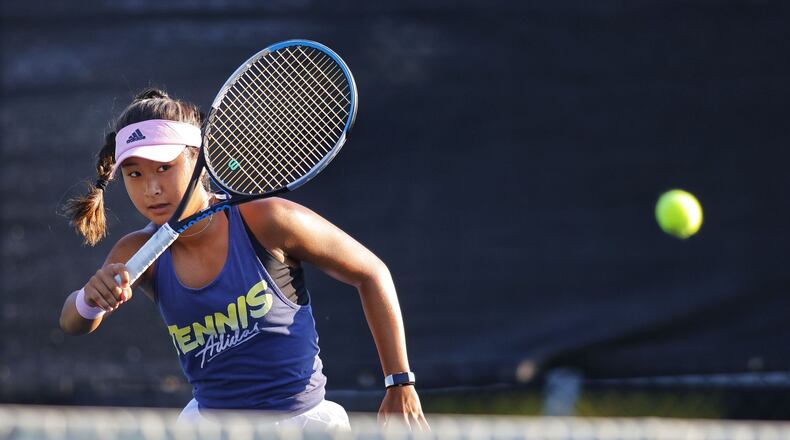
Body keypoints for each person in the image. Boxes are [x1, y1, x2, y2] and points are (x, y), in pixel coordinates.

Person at [59, 88, 429, 430]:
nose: (151, 187)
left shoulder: (268, 220)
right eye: (134, 174)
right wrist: (90, 300)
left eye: (164, 167)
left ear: (198, 160)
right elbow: (73, 323)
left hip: (305, 425)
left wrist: (400, 382)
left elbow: (371, 273)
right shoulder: (136, 252)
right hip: (211, 428)